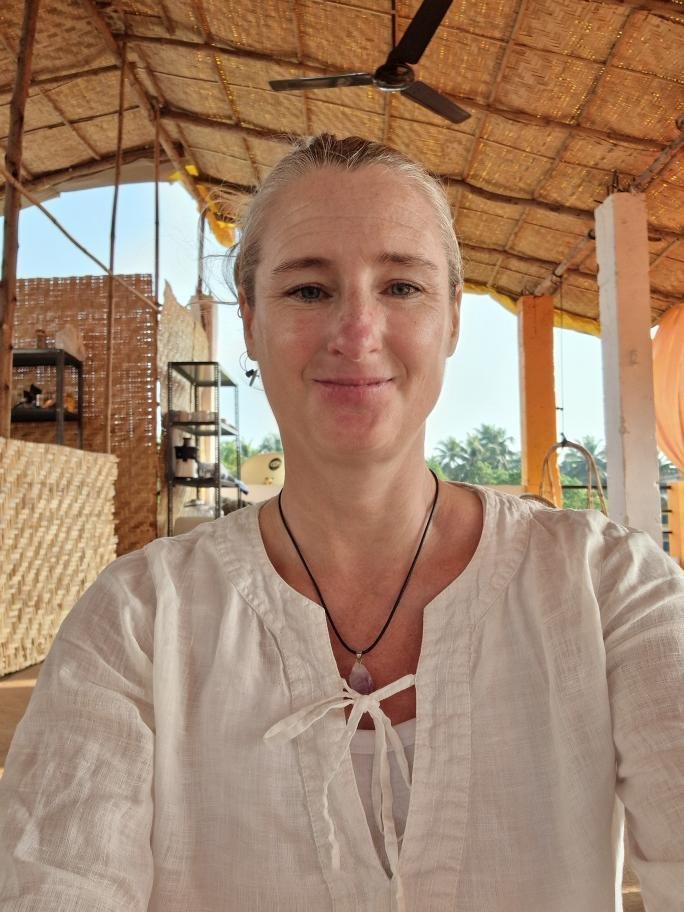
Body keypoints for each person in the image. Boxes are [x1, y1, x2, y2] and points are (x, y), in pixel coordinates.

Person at [0, 134, 682, 912]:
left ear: (453, 320)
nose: (357, 333)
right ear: (250, 321)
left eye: (401, 287)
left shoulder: (606, 589)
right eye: (308, 290)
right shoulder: (139, 620)